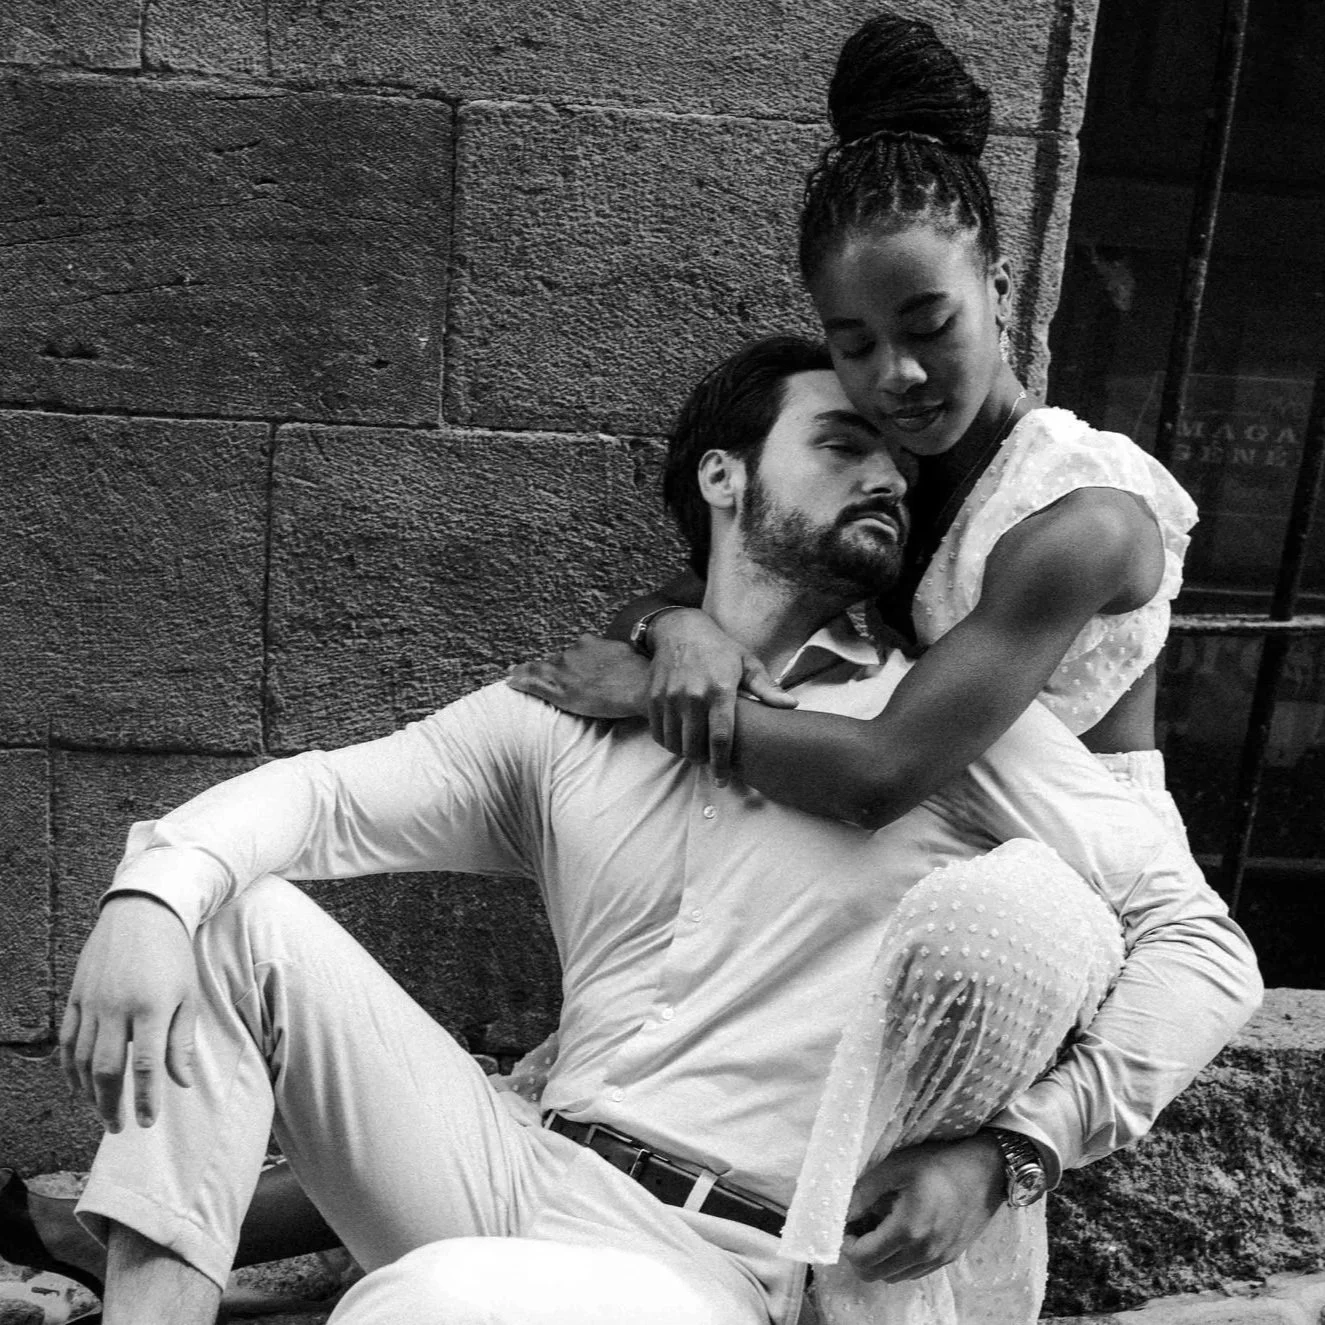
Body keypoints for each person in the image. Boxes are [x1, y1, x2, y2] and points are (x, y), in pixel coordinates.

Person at [54, 336, 1257, 1325]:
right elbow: (319, 797)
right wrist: (147, 898)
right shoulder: (580, 708)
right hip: (506, 1166)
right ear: (726, 479)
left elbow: (1203, 953)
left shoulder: (940, 724)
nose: (885, 476)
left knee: (434, 1299)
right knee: (221, 906)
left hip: (708, 1263)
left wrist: (1013, 1153)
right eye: (841, 444)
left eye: (897, 461)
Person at [522, 12, 1196, 850]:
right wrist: (676, 636)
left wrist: (644, 696)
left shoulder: (1078, 518)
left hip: (1096, 891)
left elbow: (878, 773)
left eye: (928, 326)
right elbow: (684, 596)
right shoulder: (892, 473)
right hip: (951, 867)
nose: (897, 376)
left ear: (997, 284)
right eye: (855, 343)